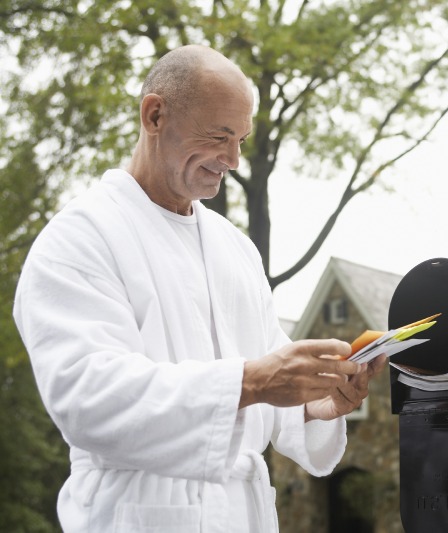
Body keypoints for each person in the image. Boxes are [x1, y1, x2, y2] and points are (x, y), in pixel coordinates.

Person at [13, 44, 388, 533]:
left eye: (241, 140)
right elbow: (88, 398)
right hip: (135, 515)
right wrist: (251, 380)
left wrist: (323, 402)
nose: (232, 159)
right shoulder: (79, 238)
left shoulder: (235, 248)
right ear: (154, 115)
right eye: (219, 136)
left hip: (246, 515)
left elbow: (272, 390)